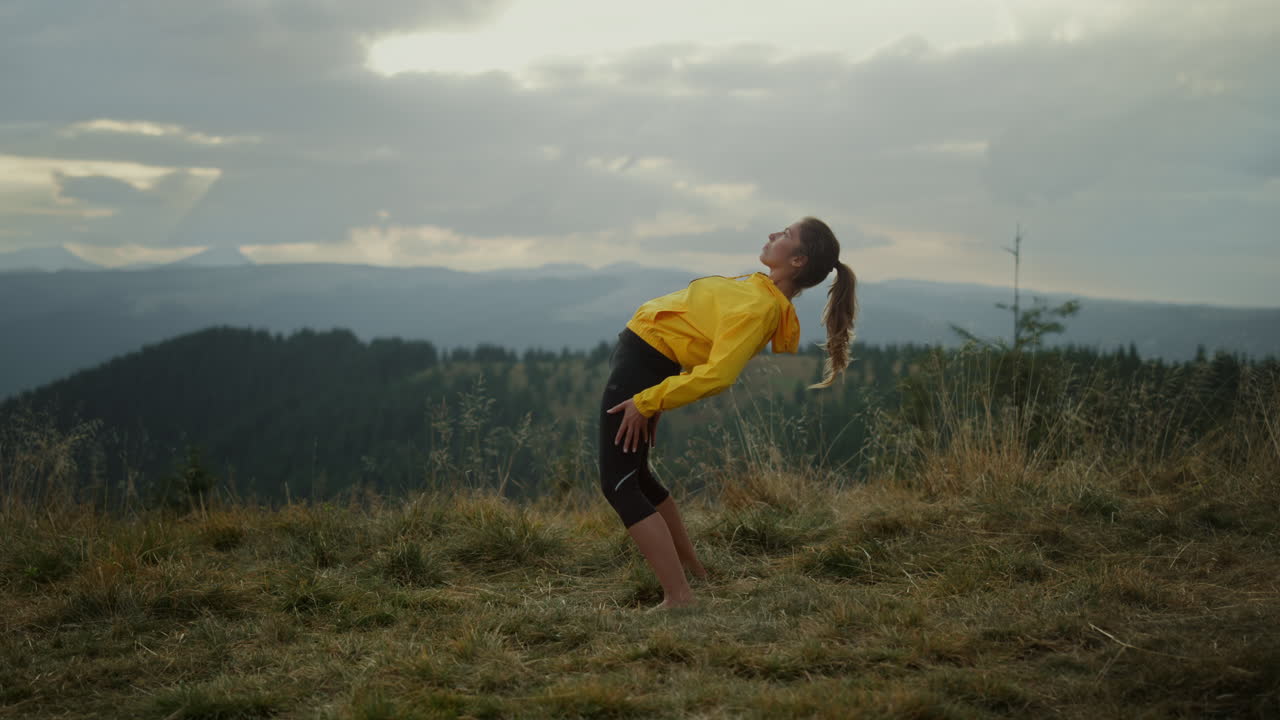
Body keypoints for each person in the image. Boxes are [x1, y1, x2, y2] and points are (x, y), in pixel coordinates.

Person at [599, 216, 859, 610]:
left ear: (798, 261)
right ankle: (694, 576)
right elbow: (699, 340)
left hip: (644, 367)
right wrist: (659, 395)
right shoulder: (759, 292)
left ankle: (678, 597)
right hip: (649, 367)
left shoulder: (759, 306)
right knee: (639, 477)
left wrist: (648, 400)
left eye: (786, 235)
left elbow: (719, 375)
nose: (774, 234)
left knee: (618, 483)